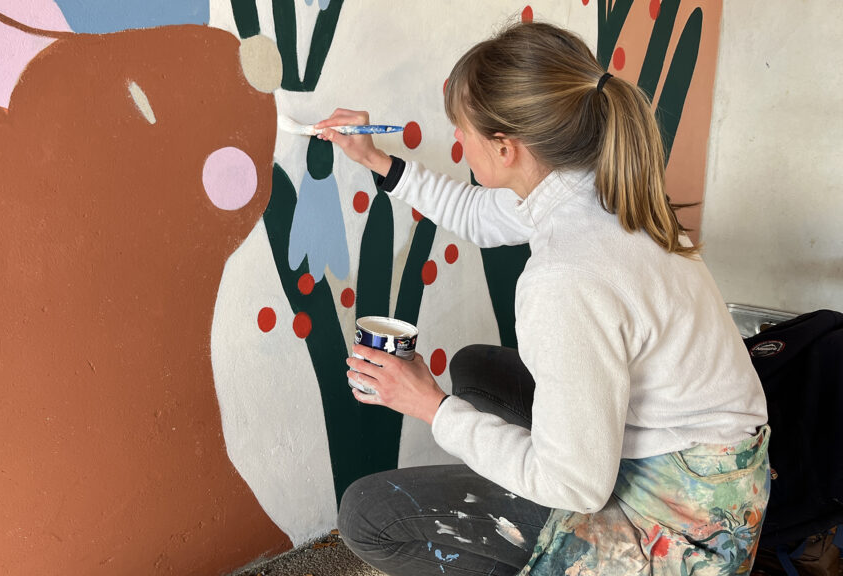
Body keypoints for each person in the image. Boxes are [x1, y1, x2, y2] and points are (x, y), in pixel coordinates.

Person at [315, 21, 770, 576]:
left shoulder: (564, 276)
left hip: (686, 525)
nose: (457, 141)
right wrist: (373, 159)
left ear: (505, 148)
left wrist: (429, 406)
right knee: (476, 368)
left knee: (367, 513)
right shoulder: (596, 183)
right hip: (717, 467)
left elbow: (575, 484)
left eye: (461, 131)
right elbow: (478, 215)